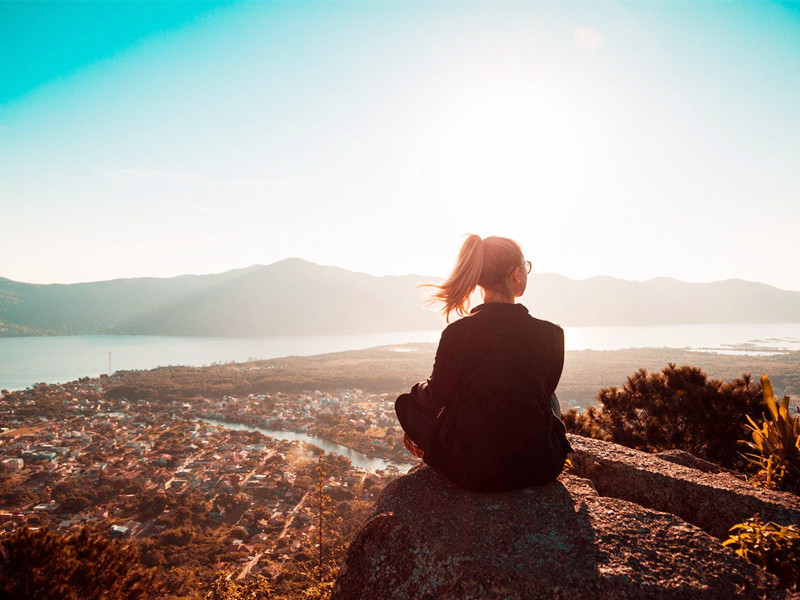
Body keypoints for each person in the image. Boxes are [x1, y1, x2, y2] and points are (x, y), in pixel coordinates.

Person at [395, 235, 572, 492]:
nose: (526, 272)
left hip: (473, 470)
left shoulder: (458, 333)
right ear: (515, 274)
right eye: (526, 266)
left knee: (406, 403)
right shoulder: (552, 333)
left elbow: (437, 397)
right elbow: (544, 395)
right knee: (549, 397)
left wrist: (418, 388)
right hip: (542, 464)